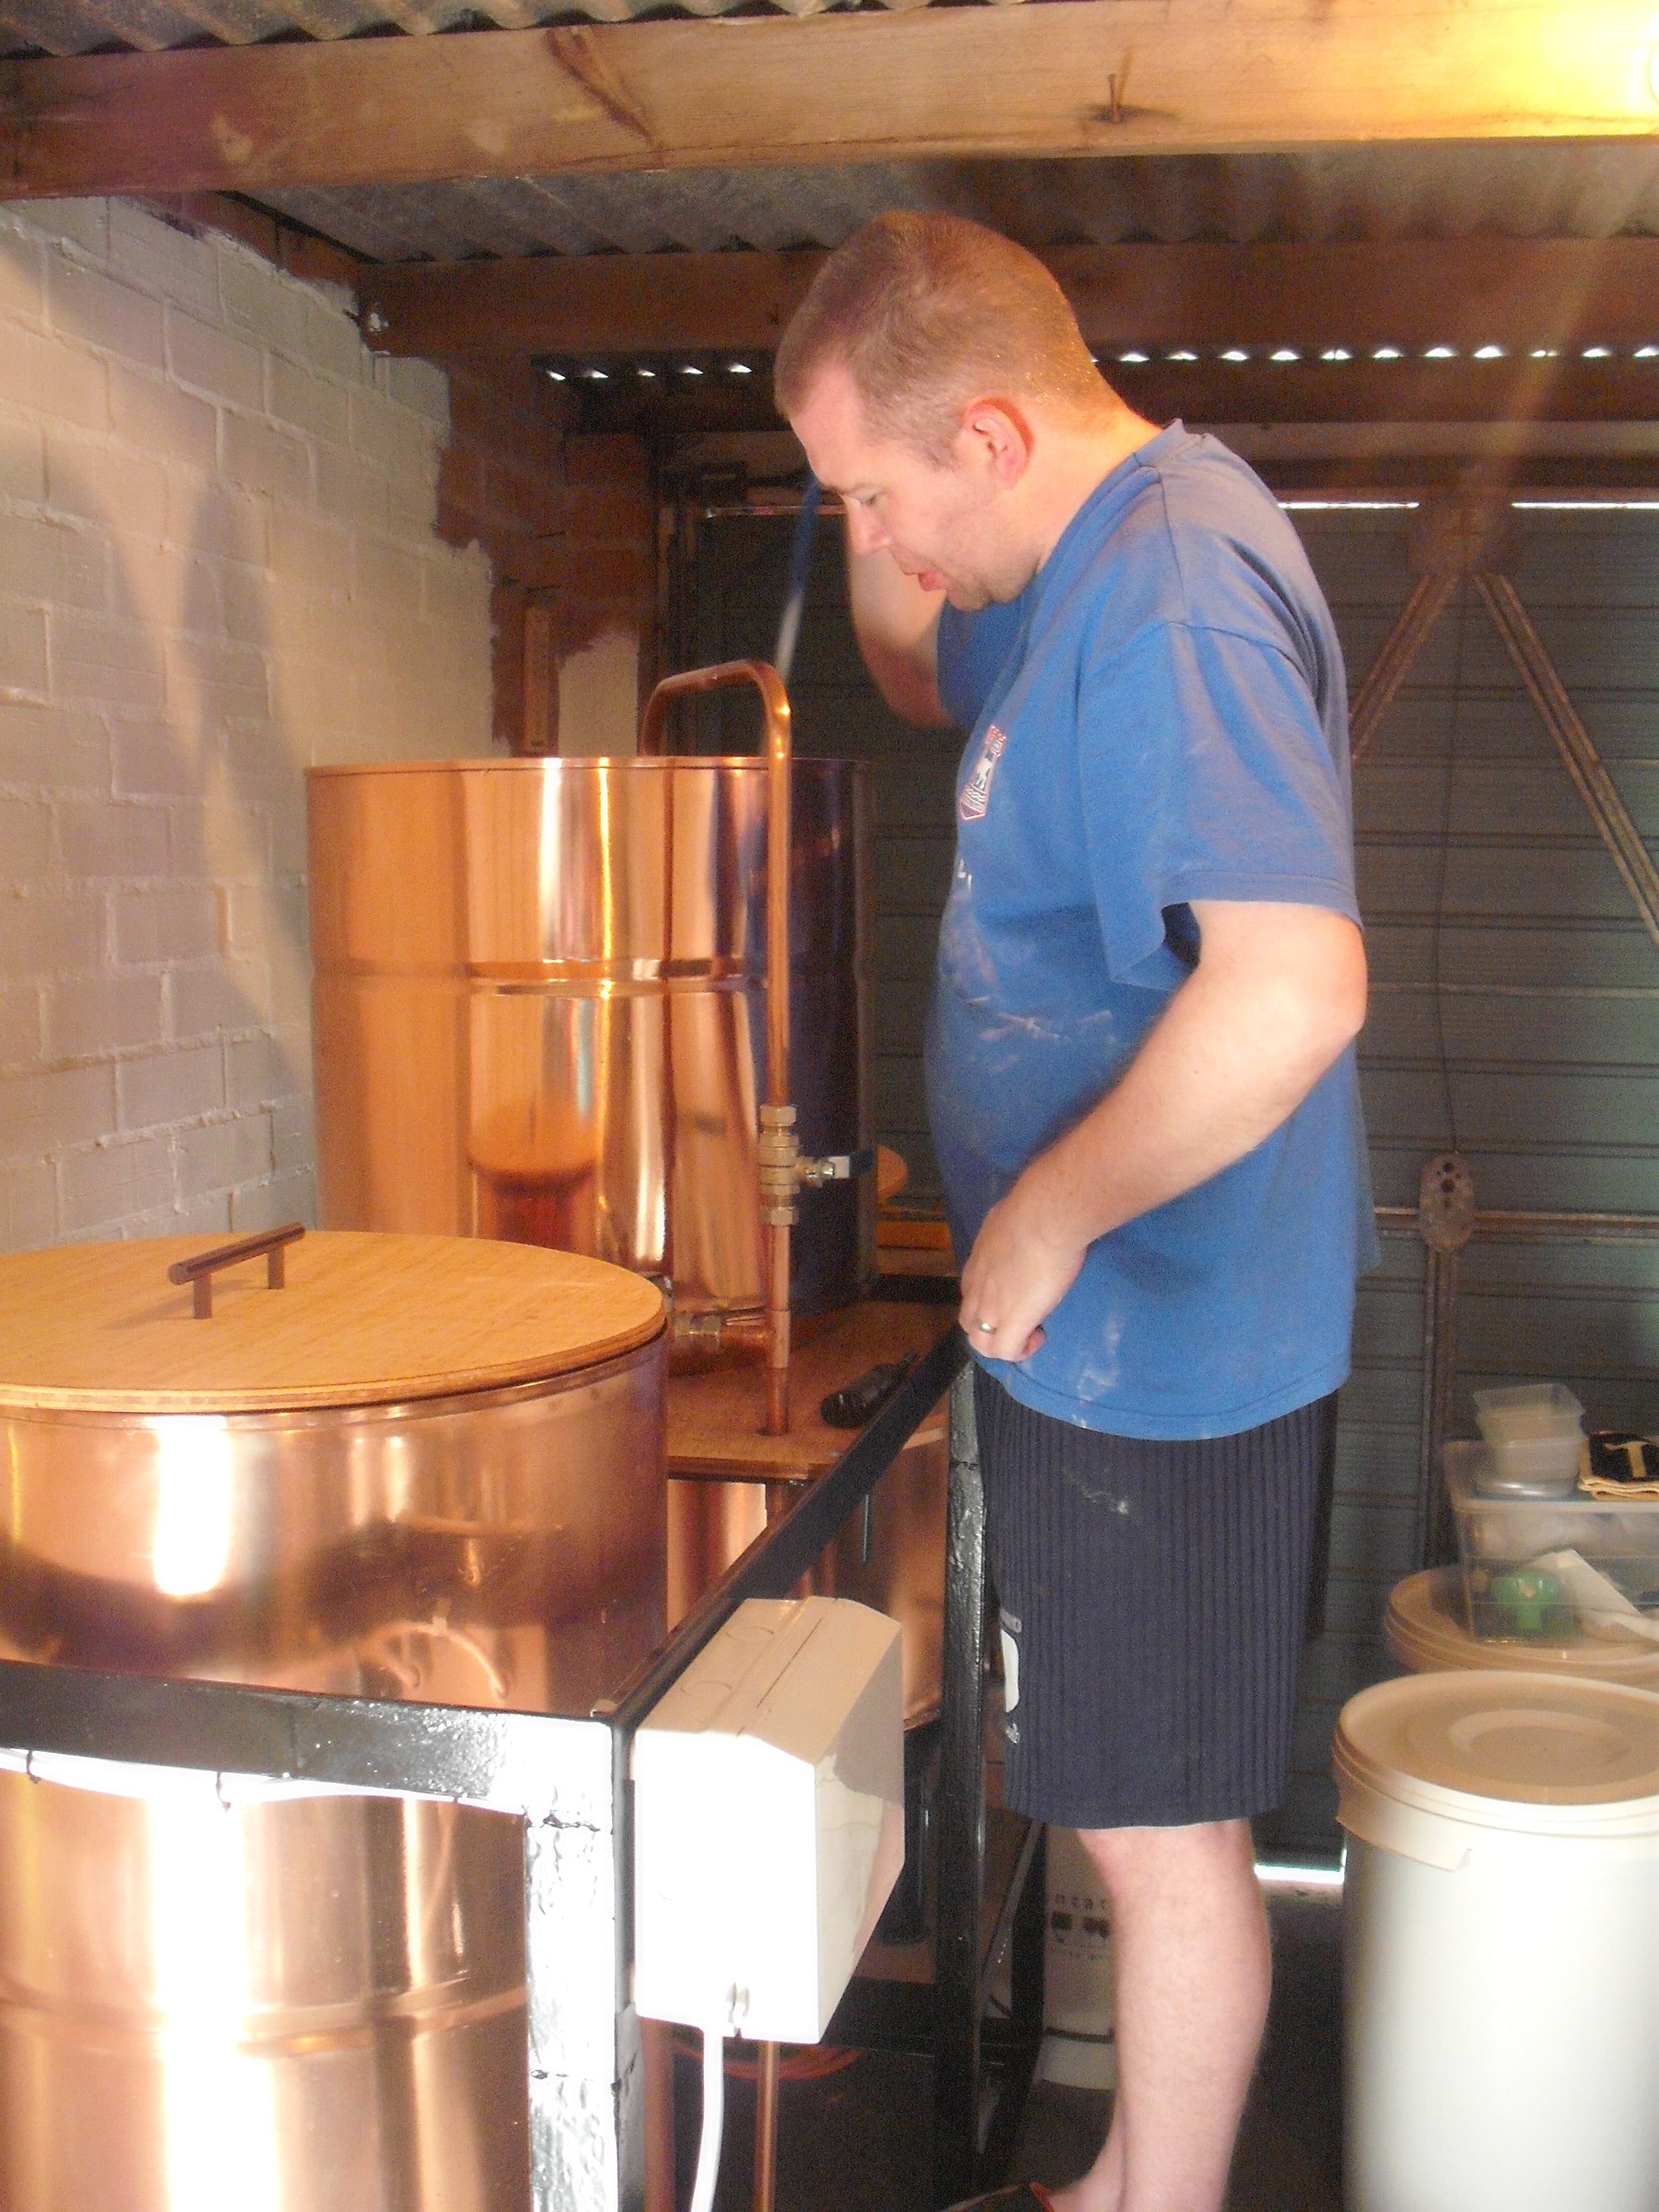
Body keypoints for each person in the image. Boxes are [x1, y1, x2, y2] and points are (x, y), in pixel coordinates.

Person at [774, 213, 1375, 2212]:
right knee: (1127, 1802)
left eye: (879, 496)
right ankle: (1119, 2187)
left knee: (1164, 1834)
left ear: (997, 438)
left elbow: (1292, 989)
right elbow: (911, 659)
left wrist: (1046, 1209)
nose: (870, 537)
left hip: (1168, 1337)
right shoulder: (1063, 571)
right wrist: (859, 481)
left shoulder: (1175, 589)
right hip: (1105, 1336)